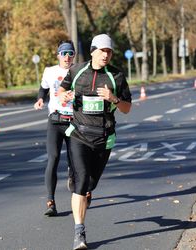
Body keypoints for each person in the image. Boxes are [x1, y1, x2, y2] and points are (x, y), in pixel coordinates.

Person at [58, 34, 132, 250]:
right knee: (81, 184)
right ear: (92, 51)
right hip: (79, 134)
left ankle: (78, 180)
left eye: (109, 51)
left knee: (90, 184)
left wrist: (113, 99)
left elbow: (127, 108)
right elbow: (61, 90)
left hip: (104, 138)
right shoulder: (77, 70)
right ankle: (79, 233)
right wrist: (64, 96)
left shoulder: (117, 76)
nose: (106, 55)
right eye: (102, 51)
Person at [33, 40, 75, 216]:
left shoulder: (79, 71)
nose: (67, 57)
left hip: (75, 122)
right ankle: (51, 201)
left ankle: (77, 181)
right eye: (64, 53)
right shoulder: (50, 72)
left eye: (70, 53)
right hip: (55, 120)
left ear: (74, 56)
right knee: (53, 158)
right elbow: (43, 88)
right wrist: (40, 98)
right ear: (58, 54)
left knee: (76, 161)